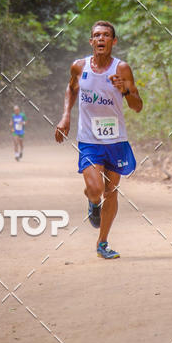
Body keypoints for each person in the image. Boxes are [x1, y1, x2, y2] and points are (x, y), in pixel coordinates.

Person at [54, 20, 143, 258]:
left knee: (111, 192)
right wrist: (66, 117)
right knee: (95, 189)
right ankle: (93, 203)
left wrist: (124, 89)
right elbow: (72, 89)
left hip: (115, 139)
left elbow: (137, 106)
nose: (101, 39)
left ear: (113, 42)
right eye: (97, 35)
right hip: (89, 139)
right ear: (91, 41)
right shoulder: (79, 66)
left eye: (106, 35)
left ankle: (102, 243)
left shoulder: (121, 68)